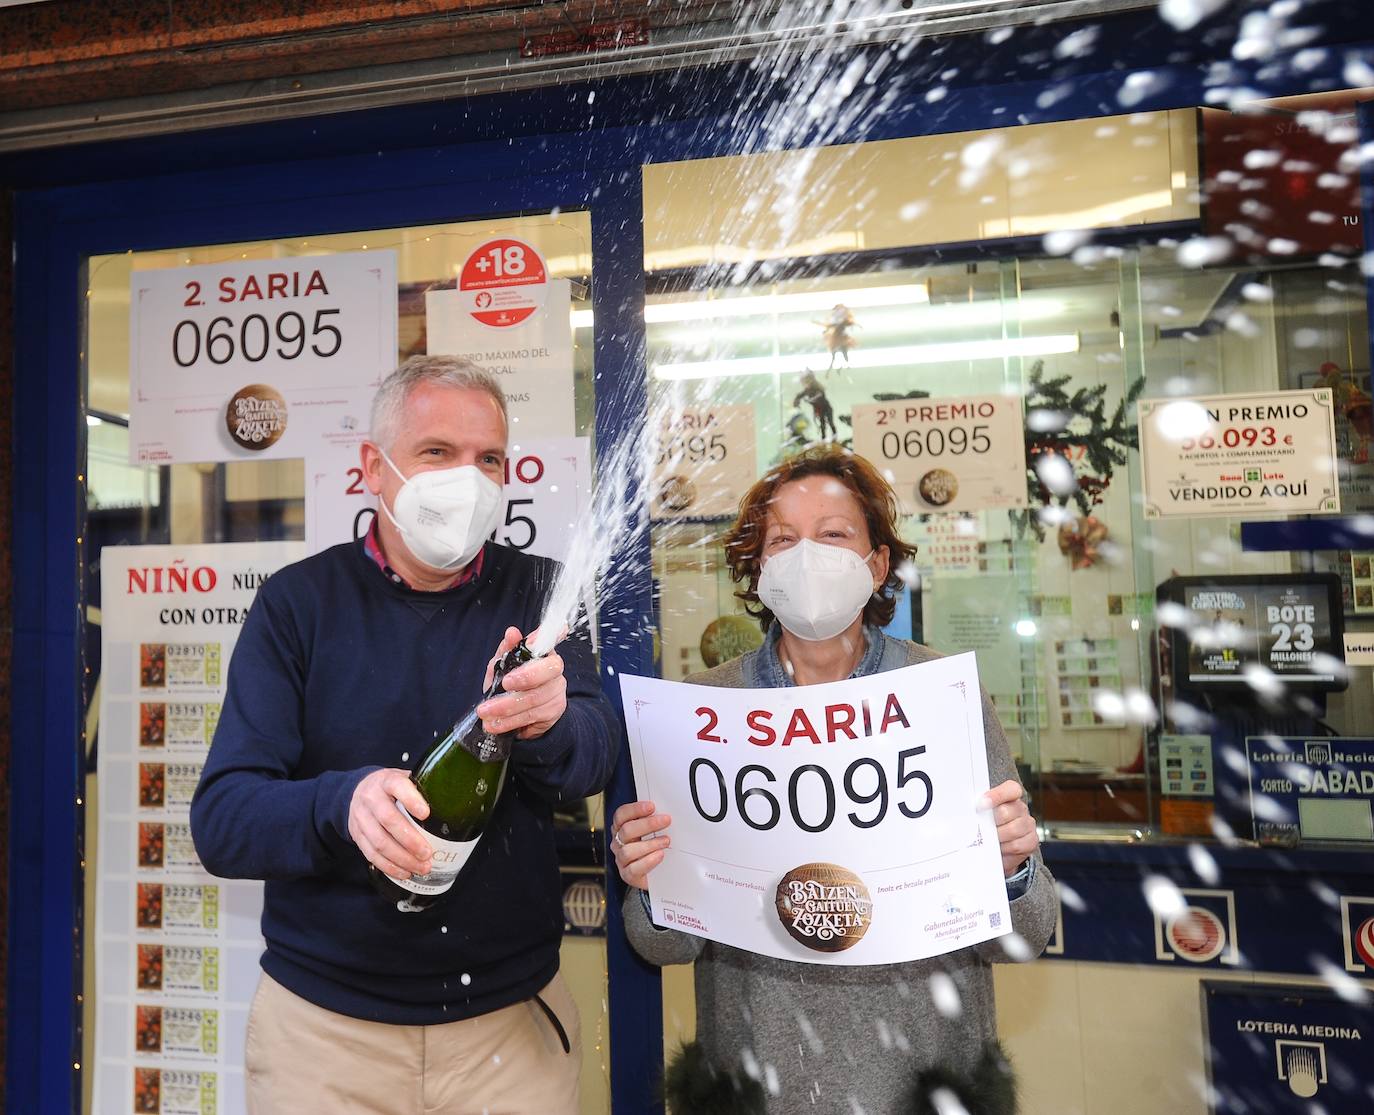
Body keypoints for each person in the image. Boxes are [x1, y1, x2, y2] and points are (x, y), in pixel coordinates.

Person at [190, 355, 620, 1115]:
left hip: (509, 1037)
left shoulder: (543, 595)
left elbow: (591, 759)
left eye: (489, 457)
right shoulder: (299, 605)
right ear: (373, 470)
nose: (470, 478)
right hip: (324, 1044)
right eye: (437, 453)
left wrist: (549, 721)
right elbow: (224, 820)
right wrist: (341, 804)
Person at [612, 444, 1057, 1115]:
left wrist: (1013, 867)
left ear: (877, 563)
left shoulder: (940, 700)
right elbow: (664, 943)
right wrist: (651, 885)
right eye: (783, 539)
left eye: (833, 535)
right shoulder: (703, 713)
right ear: (758, 567)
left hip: (926, 1086)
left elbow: (1027, 932)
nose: (805, 557)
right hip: (761, 1088)